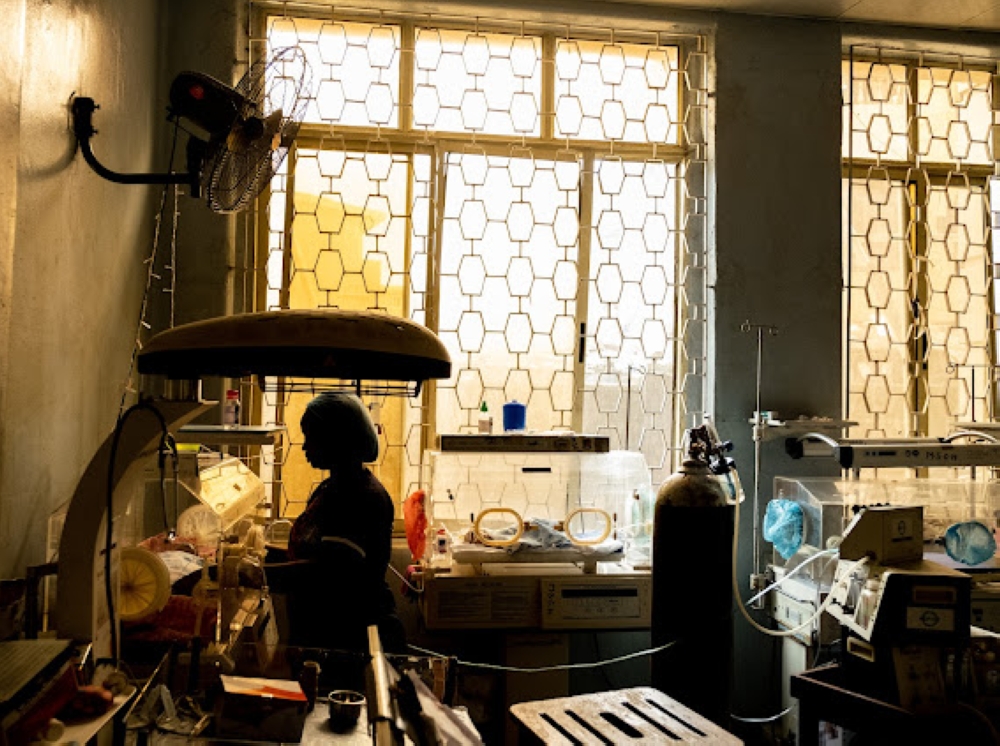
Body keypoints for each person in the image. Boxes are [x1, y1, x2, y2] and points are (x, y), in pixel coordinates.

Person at [265, 391, 404, 689]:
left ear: (337, 439)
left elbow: (325, 573)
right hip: (325, 639)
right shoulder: (333, 487)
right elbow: (310, 552)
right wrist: (252, 557)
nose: (304, 447)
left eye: (311, 437)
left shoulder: (359, 497)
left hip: (349, 647)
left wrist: (257, 575)